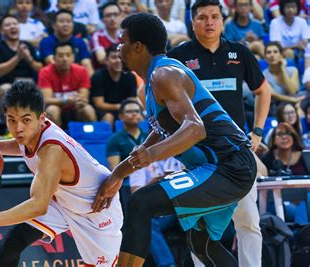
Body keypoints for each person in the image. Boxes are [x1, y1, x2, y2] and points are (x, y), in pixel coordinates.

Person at [92, 13, 257, 266]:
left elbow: (195, 129)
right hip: (221, 167)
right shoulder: (152, 80)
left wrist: (151, 156)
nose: (118, 48)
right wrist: (118, 173)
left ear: (137, 46)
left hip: (229, 167)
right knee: (201, 243)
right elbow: (161, 131)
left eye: (121, 41)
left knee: (141, 203)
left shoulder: (164, 75)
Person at [0, 80, 123, 266]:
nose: (18, 128)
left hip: (95, 208)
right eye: (11, 120)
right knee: (9, 246)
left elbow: (38, 206)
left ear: (42, 118)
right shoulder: (32, 132)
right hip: (64, 202)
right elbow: (20, 145)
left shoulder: (51, 150)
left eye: (25, 120)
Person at [167, 1, 272, 265]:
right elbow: (155, 97)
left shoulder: (239, 52)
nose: (209, 22)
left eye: (215, 16)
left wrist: (257, 132)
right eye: (202, 17)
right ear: (192, 22)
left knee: (249, 222)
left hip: (237, 152)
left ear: (223, 21)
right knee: (199, 225)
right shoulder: (178, 58)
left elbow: (263, 91)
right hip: (200, 154)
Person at [38, 42, 97, 128]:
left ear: (73, 57)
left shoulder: (82, 71)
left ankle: (91, 139)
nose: (65, 59)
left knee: (88, 110)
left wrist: (78, 101)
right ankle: (56, 139)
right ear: (54, 58)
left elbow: (83, 98)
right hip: (57, 108)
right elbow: (46, 100)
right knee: (52, 110)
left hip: (76, 109)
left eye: (68, 55)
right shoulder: (45, 72)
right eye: (61, 55)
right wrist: (65, 101)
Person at [91, 45, 137, 127]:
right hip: (103, 111)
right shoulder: (98, 76)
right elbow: (99, 104)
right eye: (114, 57)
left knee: (137, 115)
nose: (118, 61)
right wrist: (121, 106)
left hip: (124, 110)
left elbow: (132, 99)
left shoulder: (130, 76)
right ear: (106, 60)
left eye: (120, 57)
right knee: (109, 117)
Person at [38, 10, 94, 76]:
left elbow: (86, 64)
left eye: (69, 22)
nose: (65, 24)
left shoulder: (80, 42)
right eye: (61, 22)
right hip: (54, 78)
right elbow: (52, 63)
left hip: (76, 79)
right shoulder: (46, 42)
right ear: (54, 25)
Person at [90, 2, 121, 67]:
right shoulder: (97, 36)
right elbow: (101, 59)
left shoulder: (125, 35)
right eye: (108, 15)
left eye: (115, 14)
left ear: (120, 16)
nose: (112, 18)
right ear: (102, 20)